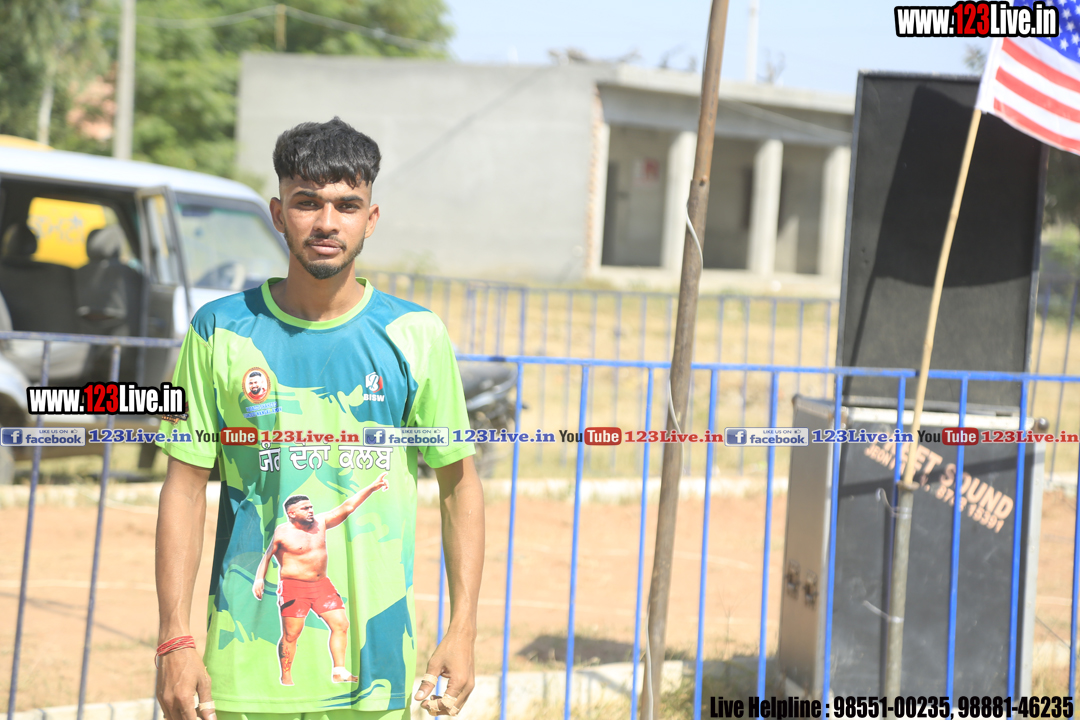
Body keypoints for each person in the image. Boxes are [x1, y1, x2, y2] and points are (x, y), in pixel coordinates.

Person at [154, 117, 484, 720]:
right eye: (307, 202)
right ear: (279, 214)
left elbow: (459, 485)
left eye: (346, 205)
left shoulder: (415, 335)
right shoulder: (218, 331)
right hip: (242, 675)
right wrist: (175, 639)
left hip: (375, 674)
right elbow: (183, 487)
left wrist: (462, 629)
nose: (327, 222)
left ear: (370, 219)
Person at [252, 474, 389, 686]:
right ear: (292, 513)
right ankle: (286, 677)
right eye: (305, 508)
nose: (311, 510)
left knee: (341, 624)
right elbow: (268, 555)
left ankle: (339, 671)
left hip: (321, 585)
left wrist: (372, 487)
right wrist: (259, 579)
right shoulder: (282, 532)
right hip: (294, 588)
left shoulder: (321, 522)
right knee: (291, 634)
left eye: (311, 507)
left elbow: (348, 507)